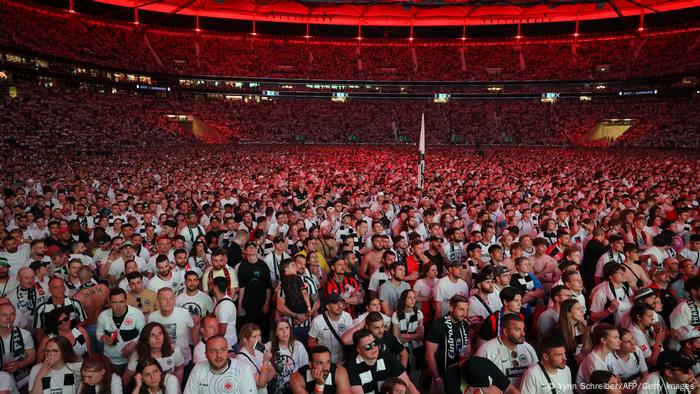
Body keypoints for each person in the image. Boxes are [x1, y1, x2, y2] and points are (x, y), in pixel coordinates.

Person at [346, 329, 419, 394]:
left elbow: (408, 384)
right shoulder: (352, 367)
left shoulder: (387, 357)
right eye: (368, 346)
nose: (374, 348)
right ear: (359, 350)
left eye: (374, 343)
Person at [475, 313, 538, 389]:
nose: (523, 333)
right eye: (517, 330)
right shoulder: (486, 350)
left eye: (523, 329)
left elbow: (537, 377)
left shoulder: (528, 348)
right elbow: (480, 386)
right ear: (505, 332)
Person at [426, 295, 471, 394]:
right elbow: (429, 355)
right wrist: (437, 379)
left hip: (459, 375)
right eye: (461, 310)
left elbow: (467, 346)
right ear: (451, 308)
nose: (465, 314)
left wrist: (464, 354)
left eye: (467, 310)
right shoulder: (437, 326)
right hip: (440, 375)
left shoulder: (465, 325)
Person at [96, 288, 146, 373]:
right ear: (109, 302)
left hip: (132, 360)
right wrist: (103, 337)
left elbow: (144, 334)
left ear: (126, 300)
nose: (118, 306)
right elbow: (98, 333)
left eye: (121, 302)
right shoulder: (103, 316)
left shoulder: (137, 314)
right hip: (110, 360)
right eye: (114, 302)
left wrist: (134, 343)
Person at [122, 322, 185, 387]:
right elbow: (126, 379)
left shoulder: (174, 350)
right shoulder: (138, 355)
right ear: (146, 339)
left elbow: (179, 369)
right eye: (152, 335)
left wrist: (177, 388)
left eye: (160, 333)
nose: (157, 338)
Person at [148, 288, 197, 367]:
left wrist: (196, 351)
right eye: (165, 299)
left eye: (171, 298)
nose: (169, 302)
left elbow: (193, 331)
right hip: (163, 364)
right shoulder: (152, 317)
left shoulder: (184, 313)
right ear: (158, 301)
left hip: (186, 360)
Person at [237, 242, 272, 341]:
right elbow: (242, 287)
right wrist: (240, 306)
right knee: (250, 331)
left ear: (257, 250)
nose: (252, 249)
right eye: (249, 247)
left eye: (254, 247)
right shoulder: (242, 267)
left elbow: (268, 286)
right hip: (249, 304)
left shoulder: (263, 265)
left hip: (262, 303)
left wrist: (267, 303)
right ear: (245, 251)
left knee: (263, 330)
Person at [551, 299, 593, 378]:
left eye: (582, 308)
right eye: (578, 308)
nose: (582, 311)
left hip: (581, 367)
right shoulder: (558, 331)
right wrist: (575, 360)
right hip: (566, 370)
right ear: (568, 313)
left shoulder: (581, 328)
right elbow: (558, 356)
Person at [265, 320, 309, 394]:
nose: (284, 332)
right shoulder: (268, 346)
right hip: (275, 387)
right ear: (276, 332)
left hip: (294, 385)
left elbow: (304, 368)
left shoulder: (298, 346)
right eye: (280, 329)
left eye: (287, 328)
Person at [308, 294, 353, 365]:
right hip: (327, 363)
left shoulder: (347, 317)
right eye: (335, 303)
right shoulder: (317, 321)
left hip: (345, 360)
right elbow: (311, 341)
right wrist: (322, 351)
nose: (340, 306)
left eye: (341, 302)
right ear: (328, 306)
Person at [575, 323, 620, 393]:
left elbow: (617, 378)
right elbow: (600, 390)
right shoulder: (594, 361)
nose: (620, 341)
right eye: (615, 338)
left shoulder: (609, 352)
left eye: (618, 337)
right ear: (603, 340)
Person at [0, 302, 36, 389]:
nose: (9, 318)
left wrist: (19, 364)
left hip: (20, 374)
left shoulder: (25, 334)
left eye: (12, 314)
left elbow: (32, 356)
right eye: (4, 314)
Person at [391, 289, 424, 377]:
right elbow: (396, 336)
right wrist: (414, 336)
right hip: (402, 346)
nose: (413, 300)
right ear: (404, 299)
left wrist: (406, 336)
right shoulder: (396, 315)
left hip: (416, 346)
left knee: (416, 369)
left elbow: (421, 335)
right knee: (403, 368)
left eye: (414, 297)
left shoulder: (419, 313)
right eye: (409, 297)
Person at [235, 323, 277, 394]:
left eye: (259, 335)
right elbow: (261, 384)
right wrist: (266, 362)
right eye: (254, 336)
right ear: (245, 340)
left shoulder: (258, 350)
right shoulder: (241, 358)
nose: (259, 339)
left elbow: (273, 371)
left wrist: (263, 377)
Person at [413, 263, 438, 327]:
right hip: (421, 311)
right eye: (433, 270)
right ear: (427, 273)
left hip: (433, 311)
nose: (436, 272)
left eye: (436, 270)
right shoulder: (419, 282)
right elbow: (414, 298)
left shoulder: (438, 281)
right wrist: (428, 298)